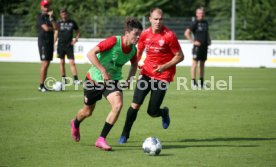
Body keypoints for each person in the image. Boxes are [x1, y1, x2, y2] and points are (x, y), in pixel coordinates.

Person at [70, 17, 143, 151]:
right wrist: (103, 70)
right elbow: (90, 54)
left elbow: (134, 65)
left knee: (118, 105)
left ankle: (101, 139)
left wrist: (129, 79)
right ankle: (75, 123)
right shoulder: (113, 41)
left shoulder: (133, 50)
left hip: (112, 81)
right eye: (135, 34)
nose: (138, 37)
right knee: (87, 112)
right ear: (127, 33)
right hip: (93, 80)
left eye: (139, 35)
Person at [118, 8, 184, 144]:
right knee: (135, 105)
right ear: (150, 19)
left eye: (160, 19)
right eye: (155, 19)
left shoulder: (169, 36)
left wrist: (164, 67)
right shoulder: (144, 34)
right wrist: (138, 71)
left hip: (163, 76)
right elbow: (138, 53)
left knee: (152, 111)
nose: (158, 22)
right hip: (146, 74)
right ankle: (124, 134)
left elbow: (180, 56)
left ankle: (163, 113)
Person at [184, 7, 211, 88]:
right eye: (199, 13)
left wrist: (209, 39)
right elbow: (187, 33)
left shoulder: (205, 22)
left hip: (204, 46)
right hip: (197, 47)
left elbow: (207, 32)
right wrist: (193, 41)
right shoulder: (195, 23)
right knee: (195, 63)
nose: (201, 14)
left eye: (202, 13)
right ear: (196, 14)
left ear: (204, 14)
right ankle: (193, 83)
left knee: (202, 64)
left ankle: (201, 83)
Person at [55, 8, 81, 85]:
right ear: (60, 14)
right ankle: (64, 79)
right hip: (60, 45)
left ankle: (76, 80)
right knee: (62, 62)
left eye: (65, 13)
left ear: (67, 13)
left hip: (69, 45)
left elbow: (78, 31)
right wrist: (54, 42)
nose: (64, 14)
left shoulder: (72, 22)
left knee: (72, 63)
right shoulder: (58, 23)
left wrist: (75, 40)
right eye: (62, 13)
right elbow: (56, 33)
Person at [36, 0, 57, 92]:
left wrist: (51, 18)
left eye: (47, 5)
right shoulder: (40, 17)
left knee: (47, 64)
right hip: (43, 42)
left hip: (50, 42)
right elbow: (46, 28)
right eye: (45, 6)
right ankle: (41, 86)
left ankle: (43, 85)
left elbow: (56, 27)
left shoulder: (51, 17)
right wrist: (52, 28)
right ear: (41, 7)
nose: (46, 7)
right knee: (44, 64)